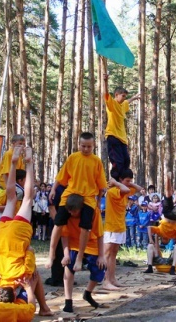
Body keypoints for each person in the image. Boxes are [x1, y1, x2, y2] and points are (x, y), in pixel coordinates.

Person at [0, 146, 52, 316]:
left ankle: (29, 162)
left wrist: (28, 287)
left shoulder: (22, 276)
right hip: (1, 236)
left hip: (17, 234)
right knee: (12, 198)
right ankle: (13, 164)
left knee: (27, 198)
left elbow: (30, 251)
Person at [46, 132, 107, 272]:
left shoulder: (97, 161)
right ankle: (51, 254)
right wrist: (53, 190)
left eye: (89, 147)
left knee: (85, 226)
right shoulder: (73, 158)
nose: (86, 149)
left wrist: (98, 202)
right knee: (58, 223)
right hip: (70, 194)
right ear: (79, 144)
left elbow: (101, 185)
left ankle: (79, 258)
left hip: (88, 198)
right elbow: (61, 177)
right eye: (83, 146)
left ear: (93, 146)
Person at [61, 195, 106, 312]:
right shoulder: (66, 215)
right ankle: (68, 301)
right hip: (74, 244)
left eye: (74, 211)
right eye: (69, 211)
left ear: (81, 208)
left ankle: (87, 293)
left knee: (100, 269)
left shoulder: (92, 211)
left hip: (91, 244)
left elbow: (100, 234)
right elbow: (64, 236)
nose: (71, 213)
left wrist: (101, 256)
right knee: (68, 266)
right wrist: (66, 254)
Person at [145, 173, 176, 274]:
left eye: (164, 240)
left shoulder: (159, 232)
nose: (165, 240)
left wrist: (151, 239)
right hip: (174, 217)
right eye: (166, 241)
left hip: (167, 215)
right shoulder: (173, 235)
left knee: (168, 195)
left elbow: (149, 228)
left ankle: (168, 178)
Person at [103, 170, 142, 290]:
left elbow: (139, 188)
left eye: (131, 181)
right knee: (107, 254)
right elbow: (124, 189)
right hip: (111, 226)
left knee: (114, 254)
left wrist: (127, 183)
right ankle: (105, 281)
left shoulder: (124, 190)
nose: (130, 183)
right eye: (127, 181)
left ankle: (113, 279)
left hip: (120, 226)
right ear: (120, 180)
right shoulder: (113, 191)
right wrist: (115, 183)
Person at [103, 74, 140, 179]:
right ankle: (114, 180)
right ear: (116, 95)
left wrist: (134, 97)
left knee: (126, 161)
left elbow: (127, 102)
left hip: (122, 139)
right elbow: (106, 94)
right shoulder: (112, 104)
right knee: (117, 161)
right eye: (122, 96)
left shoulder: (123, 105)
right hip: (113, 136)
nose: (124, 98)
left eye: (125, 96)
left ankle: (122, 180)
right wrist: (105, 81)